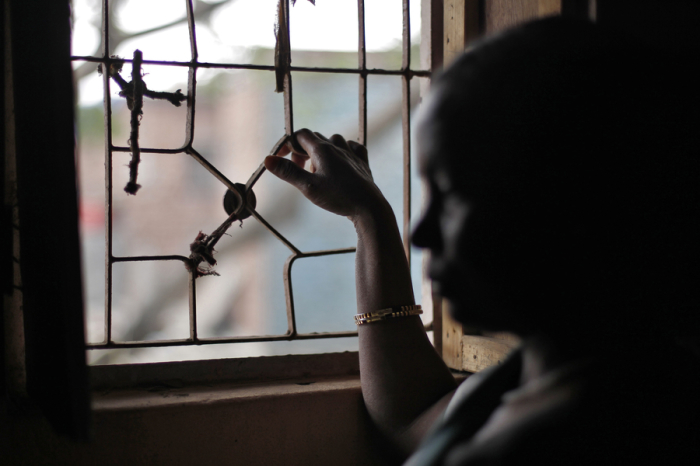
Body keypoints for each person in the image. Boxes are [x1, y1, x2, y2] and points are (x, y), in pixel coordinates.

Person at [264, 16, 700, 466]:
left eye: (453, 195)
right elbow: (412, 417)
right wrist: (370, 217)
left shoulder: (589, 434)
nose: (421, 233)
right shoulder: (534, 376)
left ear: (574, 200)